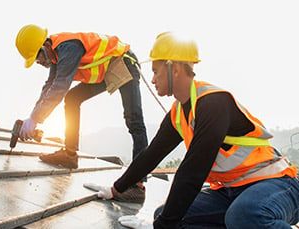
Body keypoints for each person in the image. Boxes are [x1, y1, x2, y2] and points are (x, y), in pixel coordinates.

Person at [84, 32, 299, 228]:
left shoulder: (213, 103)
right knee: (170, 215)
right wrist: (115, 189)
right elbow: (151, 155)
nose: (152, 79)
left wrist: (161, 227)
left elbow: (193, 171)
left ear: (174, 69)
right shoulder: (178, 113)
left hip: (276, 185)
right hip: (231, 191)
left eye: (156, 71)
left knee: (244, 215)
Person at [15, 24, 148, 202]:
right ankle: (70, 154)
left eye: (37, 57)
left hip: (123, 62)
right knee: (72, 99)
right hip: (106, 70)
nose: (39, 63)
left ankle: (137, 186)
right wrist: (32, 117)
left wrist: (35, 119)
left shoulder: (67, 47)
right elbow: (49, 86)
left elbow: (59, 86)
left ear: (46, 46)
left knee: (134, 120)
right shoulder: (54, 57)